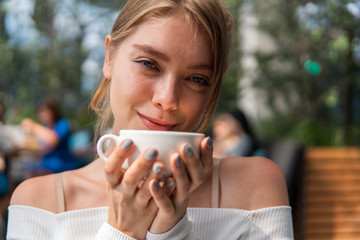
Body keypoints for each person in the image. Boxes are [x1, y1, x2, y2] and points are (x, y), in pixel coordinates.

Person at [7, 0, 294, 239]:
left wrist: (172, 231)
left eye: (196, 79)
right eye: (148, 64)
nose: (167, 99)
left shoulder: (255, 186)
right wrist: (123, 230)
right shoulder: (38, 202)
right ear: (109, 57)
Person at [20, 97, 77, 176]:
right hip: (45, 164)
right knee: (26, 171)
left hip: (62, 165)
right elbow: (39, 147)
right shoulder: (44, 127)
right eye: (40, 112)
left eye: (45, 111)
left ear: (53, 111)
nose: (42, 114)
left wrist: (33, 126)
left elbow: (53, 140)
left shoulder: (63, 124)